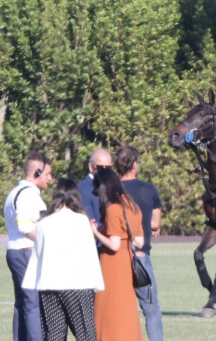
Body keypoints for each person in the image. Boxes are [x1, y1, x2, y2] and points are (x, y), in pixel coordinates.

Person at [22, 179, 104, 340]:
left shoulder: (44, 222)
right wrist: (96, 283)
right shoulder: (81, 221)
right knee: (85, 334)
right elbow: (89, 253)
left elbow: (38, 254)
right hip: (76, 285)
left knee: (53, 334)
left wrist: (34, 282)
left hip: (49, 285)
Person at [115, 145, 164, 341]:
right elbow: (155, 223)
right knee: (151, 309)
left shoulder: (110, 190)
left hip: (116, 257)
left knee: (117, 310)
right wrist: (150, 226)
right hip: (140, 258)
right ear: (135, 165)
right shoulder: (149, 190)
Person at [90, 168, 144, 341]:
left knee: (107, 308)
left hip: (112, 266)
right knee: (125, 308)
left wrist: (95, 232)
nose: (97, 193)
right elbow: (139, 241)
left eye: (98, 189)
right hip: (127, 261)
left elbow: (113, 245)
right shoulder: (132, 205)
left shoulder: (113, 209)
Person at [4, 152, 52, 340]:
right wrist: (47, 243)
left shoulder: (15, 193)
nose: (50, 178)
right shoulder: (27, 195)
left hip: (18, 252)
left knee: (22, 304)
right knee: (32, 305)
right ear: (37, 172)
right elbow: (25, 226)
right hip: (25, 252)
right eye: (48, 173)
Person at [77, 148, 113, 225]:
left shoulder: (112, 187)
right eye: (100, 167)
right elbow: (90, 223)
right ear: (91, 167)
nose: (104, 171)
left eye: (108, 168)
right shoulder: (82, 189)